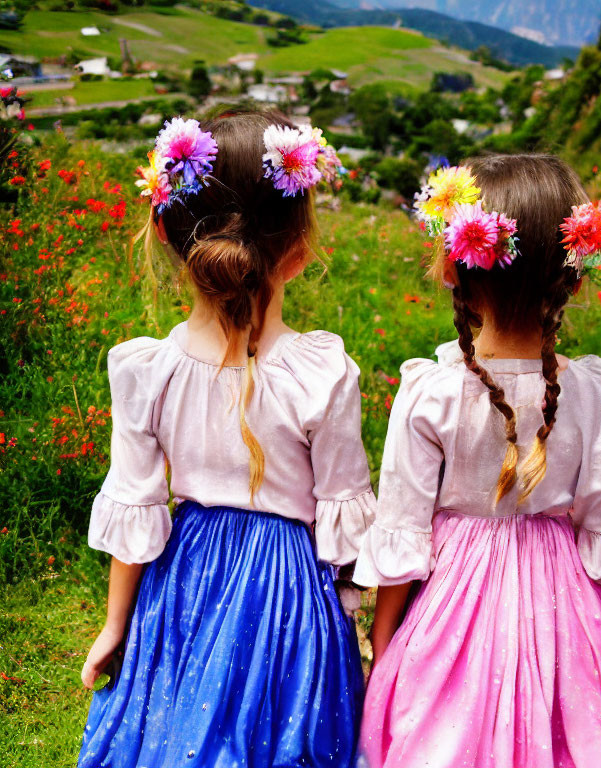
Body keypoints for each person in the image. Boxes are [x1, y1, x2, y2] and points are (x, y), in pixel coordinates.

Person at [355, 156, 601, 768]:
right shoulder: (598, 392)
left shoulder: (429, 392)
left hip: (452, 604)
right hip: (574, 611)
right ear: (576, 278)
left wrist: (386, 645)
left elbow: (403, 531)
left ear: (453, 269)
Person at [78, 109, 375, 768]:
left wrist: (115, 624)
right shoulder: (322, 373)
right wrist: (349, 615)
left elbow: (139, 509)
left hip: (180, 582)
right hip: (289, 600)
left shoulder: (144, 371)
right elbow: (344, 516)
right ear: (299, 250)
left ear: (164, 230)